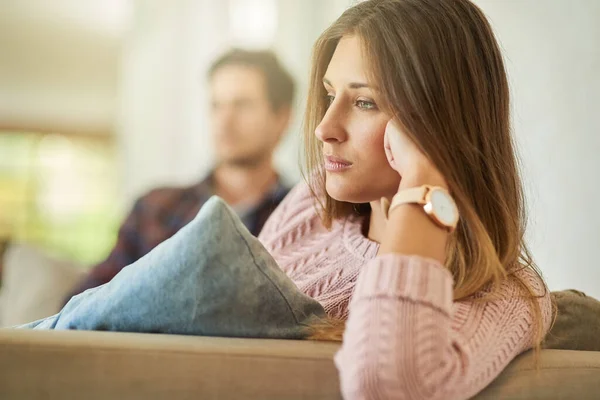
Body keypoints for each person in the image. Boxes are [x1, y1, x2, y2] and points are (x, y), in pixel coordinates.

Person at [255, 0, 553, 398]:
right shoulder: (310, 207)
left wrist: (424, 183)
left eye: (365, 102)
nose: (324, 128)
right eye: (330, 95)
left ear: (437, 120)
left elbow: (384, 384)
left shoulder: (506, 294)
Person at [66, 49, 295, 299]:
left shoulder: (306, 217)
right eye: (216, 106)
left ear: (282, 118)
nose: (224, 121)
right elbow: (83, 302)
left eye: (242, 106)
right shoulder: (155, 209)